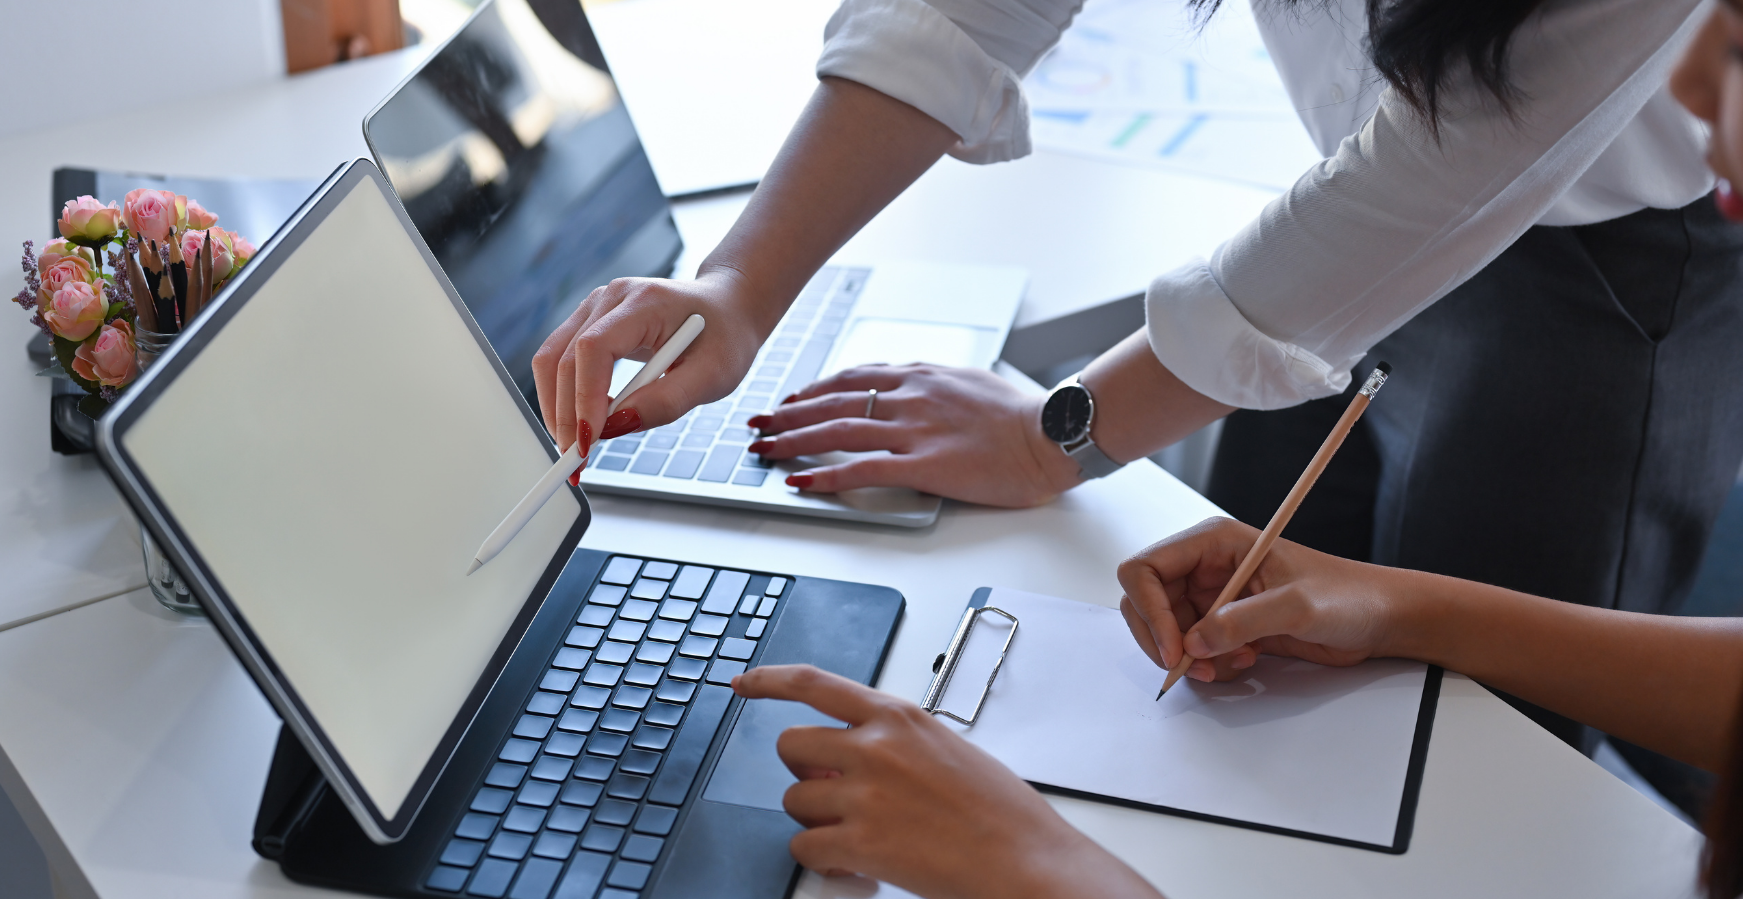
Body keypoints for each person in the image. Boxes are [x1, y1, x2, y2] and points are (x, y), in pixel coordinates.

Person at [701, 8, 1743, 899]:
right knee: (1271, 730)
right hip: (1349, 198)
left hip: (1574, 260)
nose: (1690, 76)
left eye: (1738, 34)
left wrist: (1037, 865)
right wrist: (1396, 605)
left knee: (1470, 841)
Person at [532, 0, 1743, 754]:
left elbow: (1427, 184)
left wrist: (1048, 437)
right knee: (1248, 684)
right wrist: (743, 285)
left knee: (1484, 756)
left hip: (1599, 280)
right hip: (1340, 203)